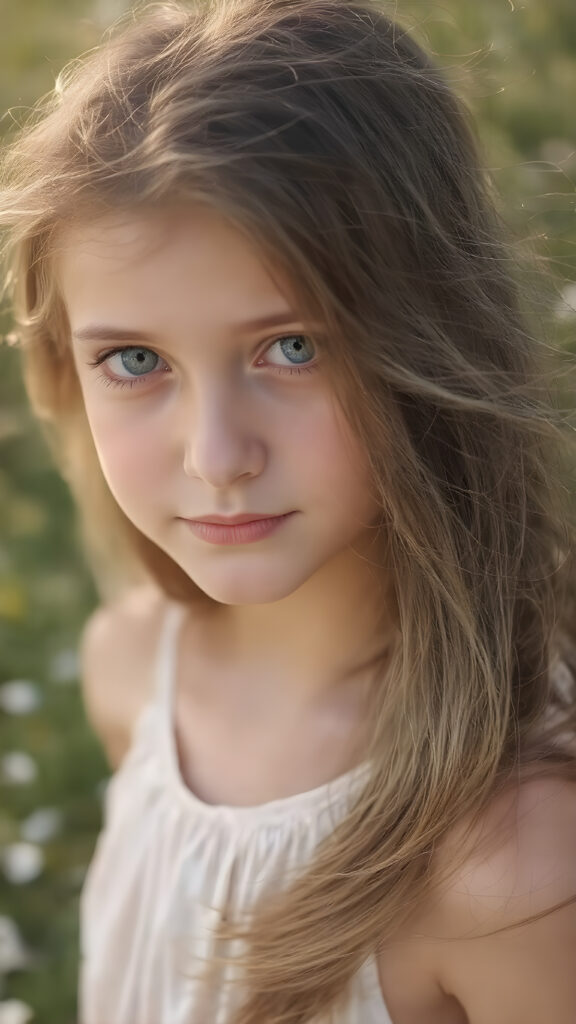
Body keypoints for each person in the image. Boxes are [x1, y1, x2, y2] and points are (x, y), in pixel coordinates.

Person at [1, 0, 576, 1021]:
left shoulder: (514, 862)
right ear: (65, 369)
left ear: (430, 341)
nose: (217, 457)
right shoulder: (133, 673)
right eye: (135, 361)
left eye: (293, 347)